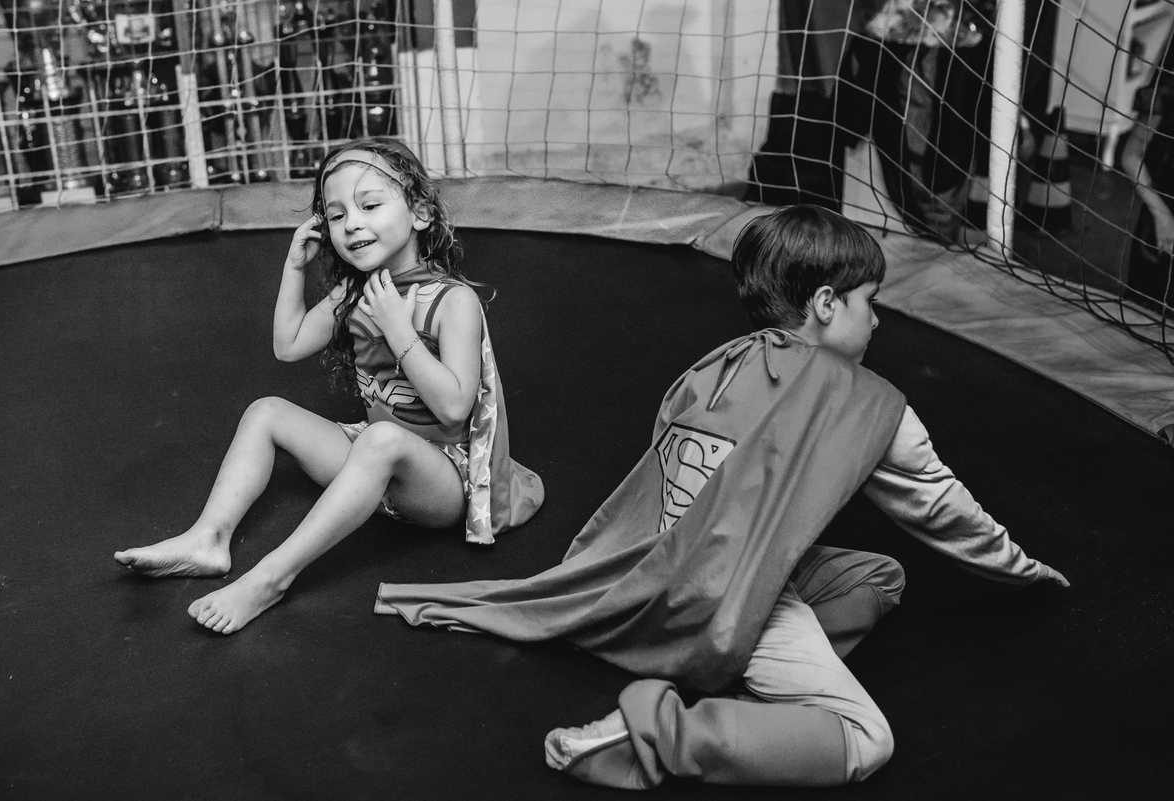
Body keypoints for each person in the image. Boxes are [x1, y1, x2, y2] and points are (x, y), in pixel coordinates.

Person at [374, 205, 1069, 789]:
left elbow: (671, 481)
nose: (878, 322)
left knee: (880, 575)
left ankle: (737, 675)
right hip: (726, 598)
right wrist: (1026, 571)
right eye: (870, 303)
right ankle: (662, 729)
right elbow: (941, 508)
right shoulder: (866, 400)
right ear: (828, 304)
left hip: (649, 583)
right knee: (867, 739)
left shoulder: (711, 368)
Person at [114, 137, 543, 634]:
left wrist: (398, 329)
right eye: (337, 215)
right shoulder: (353, 292)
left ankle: (272, 577)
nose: (351, 223)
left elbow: (453, 408)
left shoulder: (451, 301)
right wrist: (294, 268)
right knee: (266, 411)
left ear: (421, 213)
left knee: (381, 440)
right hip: (372, 468)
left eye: (370, 206)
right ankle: (208, 539)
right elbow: (289, 344)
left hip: (443, 482)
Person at [1121, 62, 1174, 312]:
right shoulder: (1166, 93)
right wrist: (1161, 215)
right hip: (1164, 226)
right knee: (1147, 313)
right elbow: (1130, 156)